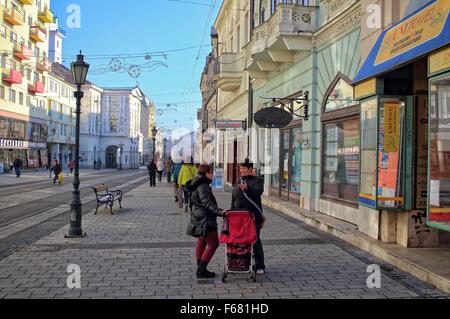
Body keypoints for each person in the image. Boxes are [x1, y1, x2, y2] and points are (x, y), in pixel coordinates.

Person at [187, 165, 224, 278]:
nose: (213, 175)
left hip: (199, 217)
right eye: (211, 172)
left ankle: (200, 266)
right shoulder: (203, 186)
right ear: (206, 173)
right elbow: (206, 203)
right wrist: (220, 212)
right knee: (213, 244)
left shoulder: (197, 182)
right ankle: (201, 269)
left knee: (202, 241)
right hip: (205, 219)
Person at [231, 158, 266, 275]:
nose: (242, 170)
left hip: (253, 217)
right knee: (240, 240)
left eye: (244, 168)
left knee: (255, 240)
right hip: (239, 217)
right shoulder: (239, 180)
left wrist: (248, 189)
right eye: (241, 168)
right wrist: (231, 210)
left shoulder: (257, 180)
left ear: (250, 169)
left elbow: (257, 194)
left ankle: (260, 265)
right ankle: (241, 263)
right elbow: (234, 196)